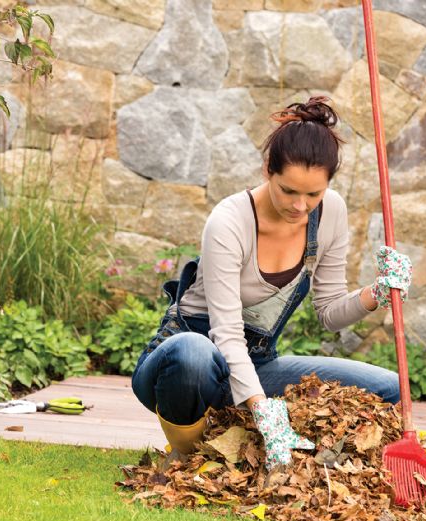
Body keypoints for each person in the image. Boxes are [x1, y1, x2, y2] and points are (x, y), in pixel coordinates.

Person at [131, 96, 410, 471]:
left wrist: (376, 294)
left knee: (390, 388)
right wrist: (265, 411)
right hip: (186, 368)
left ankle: (255, 444)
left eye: (313, 193)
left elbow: (328, 313)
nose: (300, 206)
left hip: (255, 365)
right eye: (289, 191)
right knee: (192, 354)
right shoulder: (229, 222)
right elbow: (226, 334)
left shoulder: (331, 213)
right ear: (268, 170)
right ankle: (188, 456)